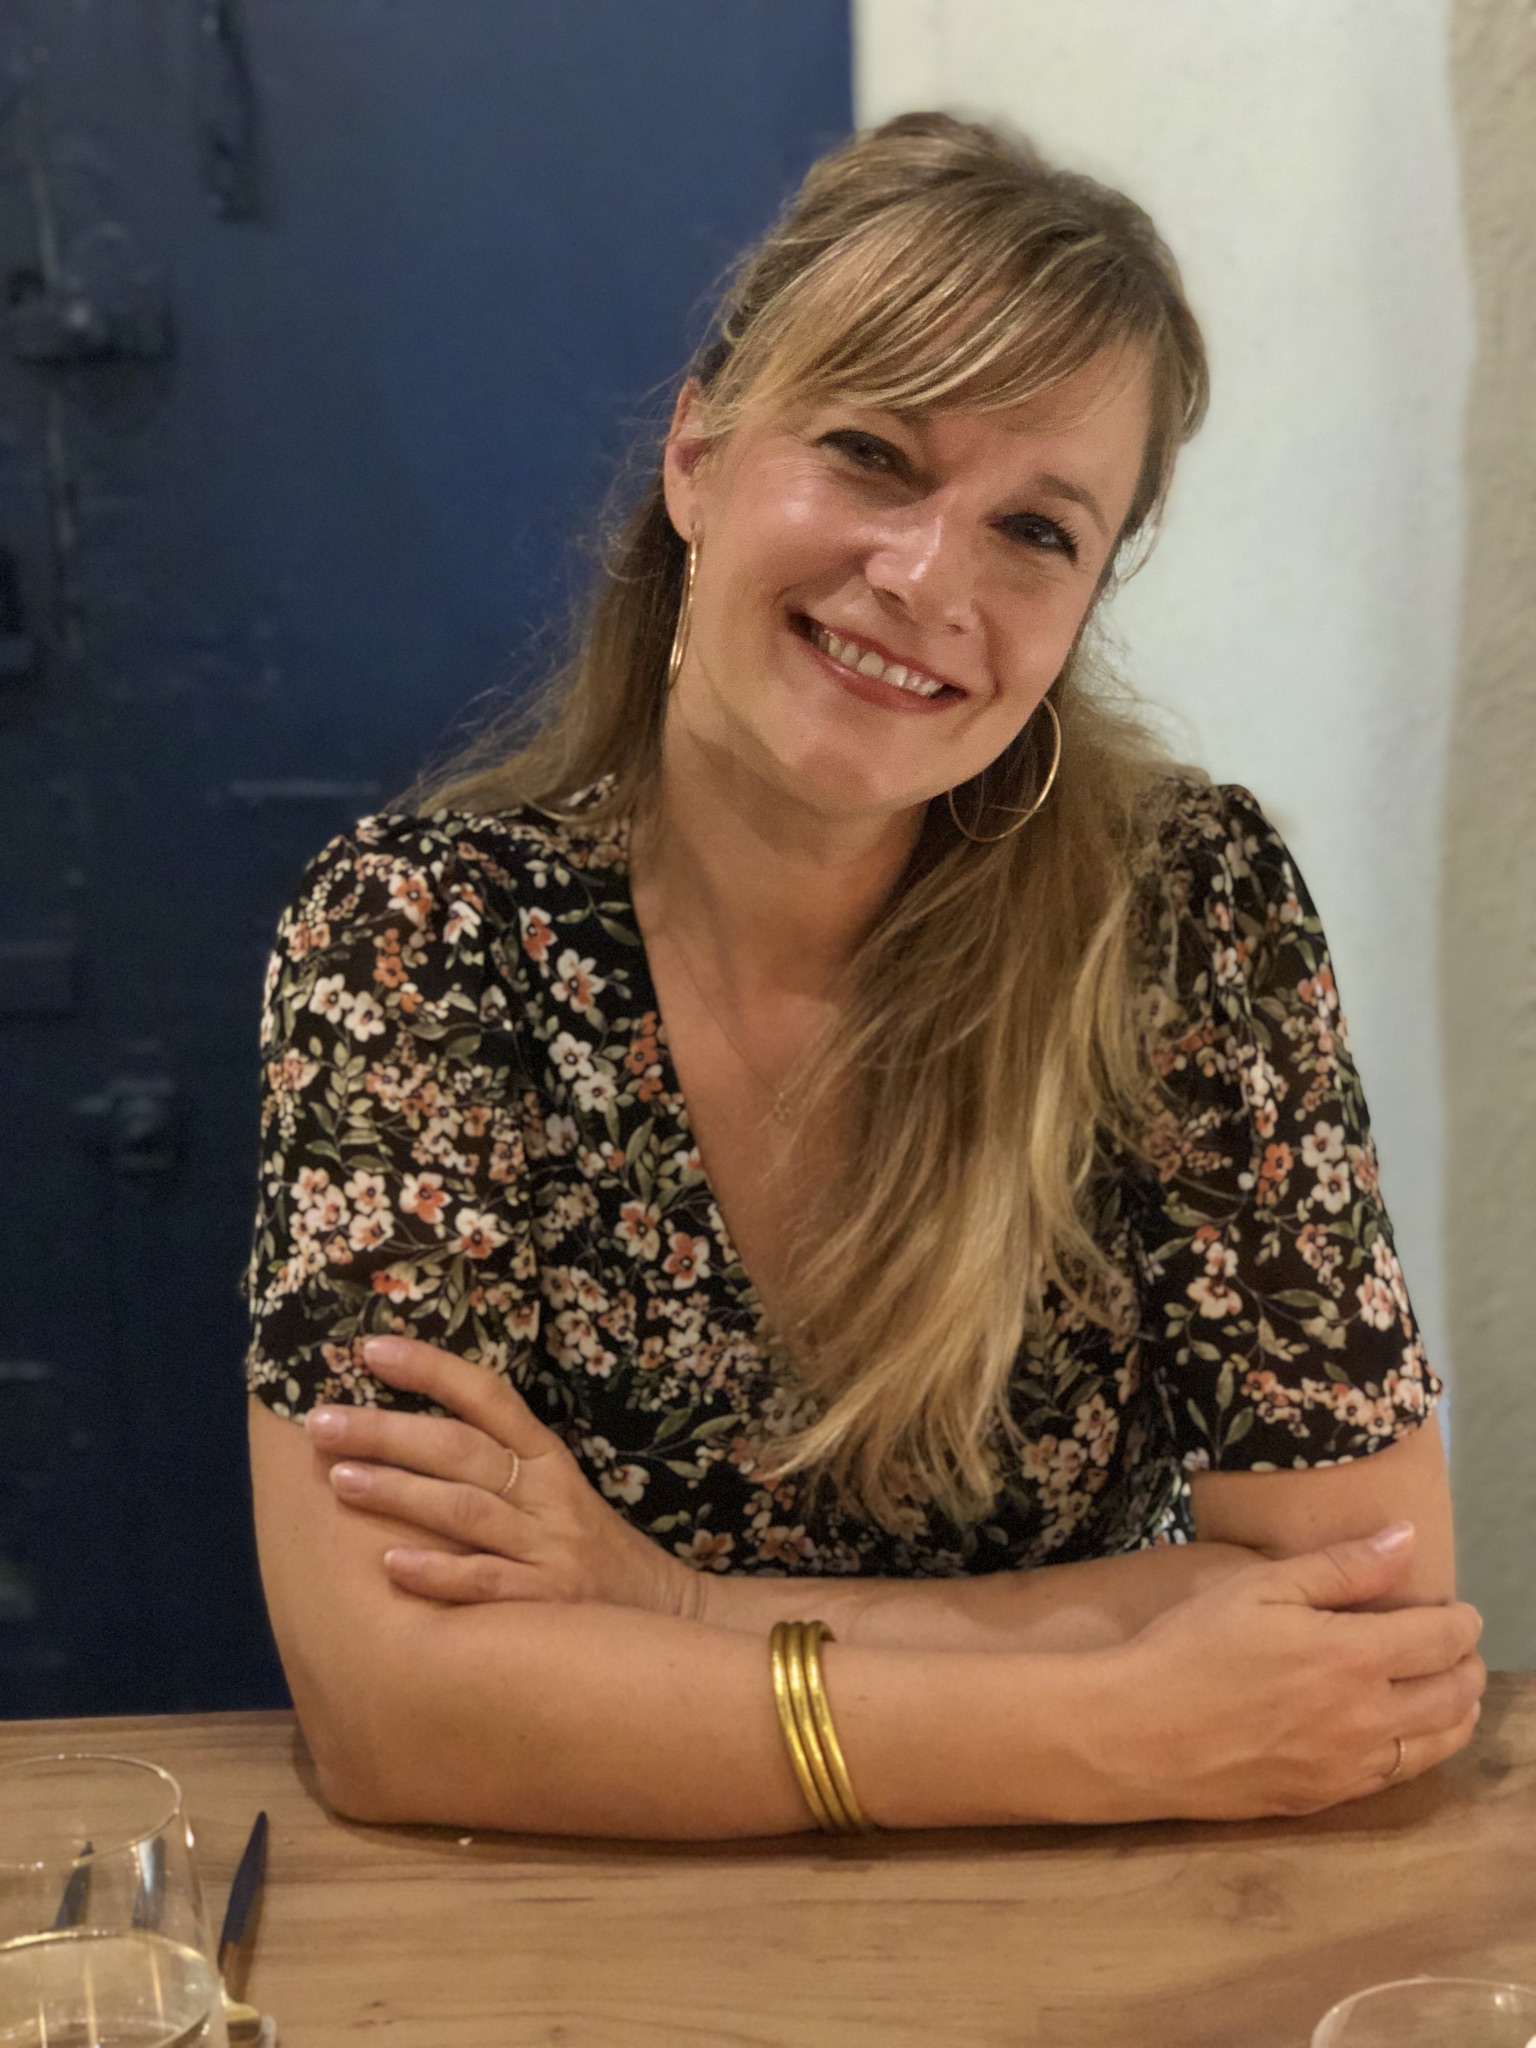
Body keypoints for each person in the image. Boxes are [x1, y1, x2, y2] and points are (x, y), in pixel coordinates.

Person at [246, 113, 1483, 1838]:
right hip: (586, 1942)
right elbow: (396, 1708)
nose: (925, 580)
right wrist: (1111, 1720)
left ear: (1086, 600)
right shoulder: (419, 942)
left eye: (1036, 530)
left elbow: (1361, 1616)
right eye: (872, 455)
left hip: (1108, 1936)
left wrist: (667, 1610)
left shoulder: (1186, 910)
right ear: (697, 457)